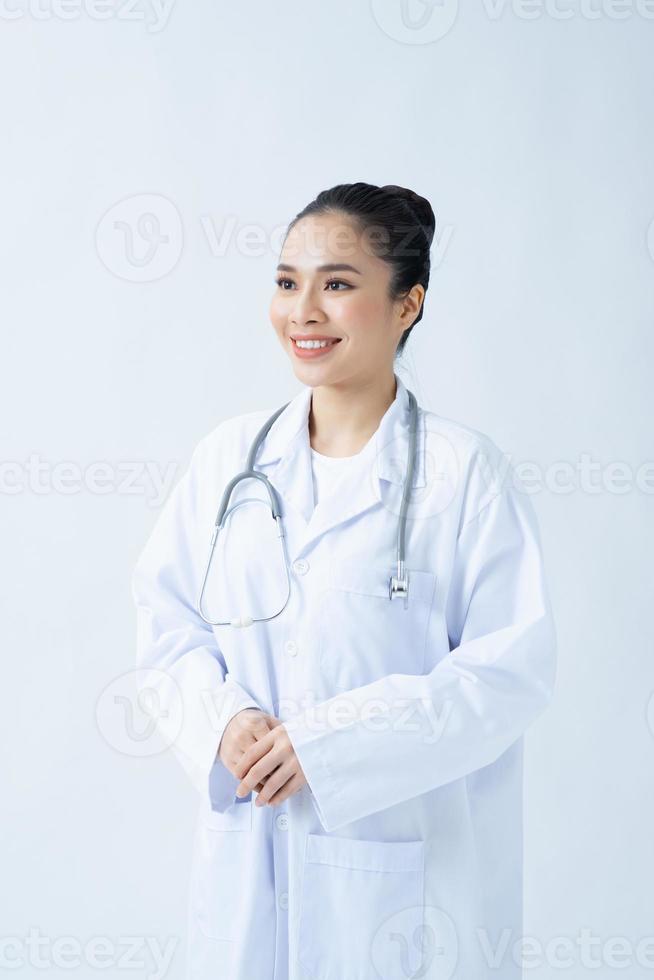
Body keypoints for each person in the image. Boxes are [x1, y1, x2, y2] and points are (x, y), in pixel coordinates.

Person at [131, 181, 557, 980]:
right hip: (247, 881)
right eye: (289, 282)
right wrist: (220, 724)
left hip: (406, 899)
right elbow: (166, 625)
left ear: (407, 304)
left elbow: (509, 675)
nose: (303, 311)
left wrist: (333, 746)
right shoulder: (229, 461)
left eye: (338, 284)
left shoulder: (465, 476)